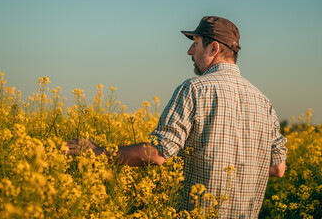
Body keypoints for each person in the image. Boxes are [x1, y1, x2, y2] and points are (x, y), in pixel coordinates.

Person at [67, 16, 287, 218]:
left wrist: (97, 153)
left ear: (214, 47)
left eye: (195, 43)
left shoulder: (194, 89)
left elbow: (158, 154)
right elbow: (278, 168)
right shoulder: (264, 102)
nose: (190, 51)